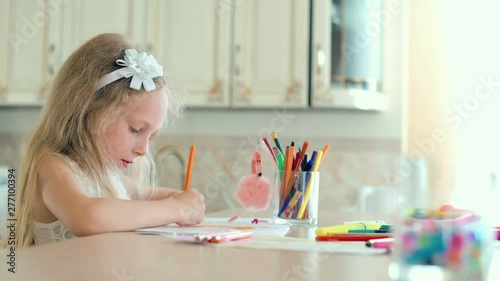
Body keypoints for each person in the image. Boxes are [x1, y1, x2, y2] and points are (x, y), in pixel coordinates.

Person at [10, 33, 206, 248]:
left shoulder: (105, 175)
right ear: (89, 109)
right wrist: (176, 208)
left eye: (151, 136)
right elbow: (88, 216)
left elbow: (150, 195)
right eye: (136, 129)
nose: (144, 150)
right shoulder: (53, 167)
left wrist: (184, 201)